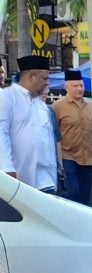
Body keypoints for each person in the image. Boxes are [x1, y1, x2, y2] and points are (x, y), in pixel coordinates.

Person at [0, 56, 57, 192]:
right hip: (19, 183)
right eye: (44, 78)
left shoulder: (42, 107)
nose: (47, 83)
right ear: (32, 77)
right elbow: (2, 133)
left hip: (46, 182)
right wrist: (7, 169)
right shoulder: (7, 98)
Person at [52, 69, 92, 206]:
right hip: (67, 156)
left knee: (85, 195)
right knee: (72, 191)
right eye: (75, 86)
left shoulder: (91, 107)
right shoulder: (57, 107)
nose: (79, 89)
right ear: (66, 87)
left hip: (88, 157)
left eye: (81, 85)